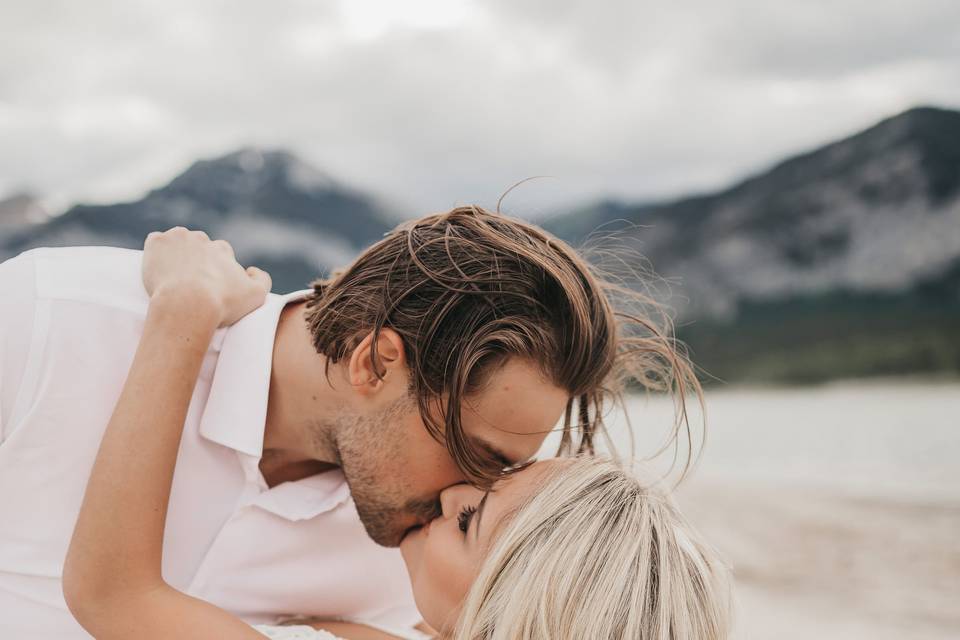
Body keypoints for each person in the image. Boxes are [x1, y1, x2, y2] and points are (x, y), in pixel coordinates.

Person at [0, 207, 700, 638]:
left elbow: (113, 595)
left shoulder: (445, 563)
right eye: (476, 452)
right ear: (373, 362)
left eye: (502, 470)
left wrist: (183, 310)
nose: (471, 491)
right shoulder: (49, 321)